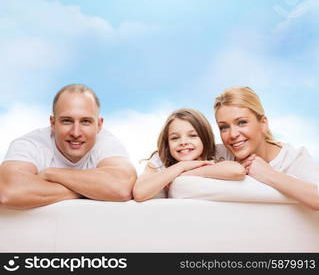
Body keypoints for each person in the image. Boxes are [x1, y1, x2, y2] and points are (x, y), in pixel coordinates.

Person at [0, 84, 137, 209]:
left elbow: (122, 188)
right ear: (52, 123)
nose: (76, 133)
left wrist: (51, 174)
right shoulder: (30, 144)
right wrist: (94, 191)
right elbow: (8, 192)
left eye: (85, 122)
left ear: (99, 125)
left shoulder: (107, 143)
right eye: (67, 121)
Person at [214, 86, 319, 210]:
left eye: (242, 122)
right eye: (224, 127)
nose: (233, 134)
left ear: (263, 123)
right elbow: (185, 166)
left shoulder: (293, 158)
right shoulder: (220, 154)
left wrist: (269, 174)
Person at [133, 108, 245, 202]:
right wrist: (180, 166)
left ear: (204, 137)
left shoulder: (218, 151)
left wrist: (188, 173)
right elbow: (139, 193)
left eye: (192, 135)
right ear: (167, 143)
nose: (183, 142)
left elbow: (237, 171)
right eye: (175, 138)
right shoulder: (161, 159)